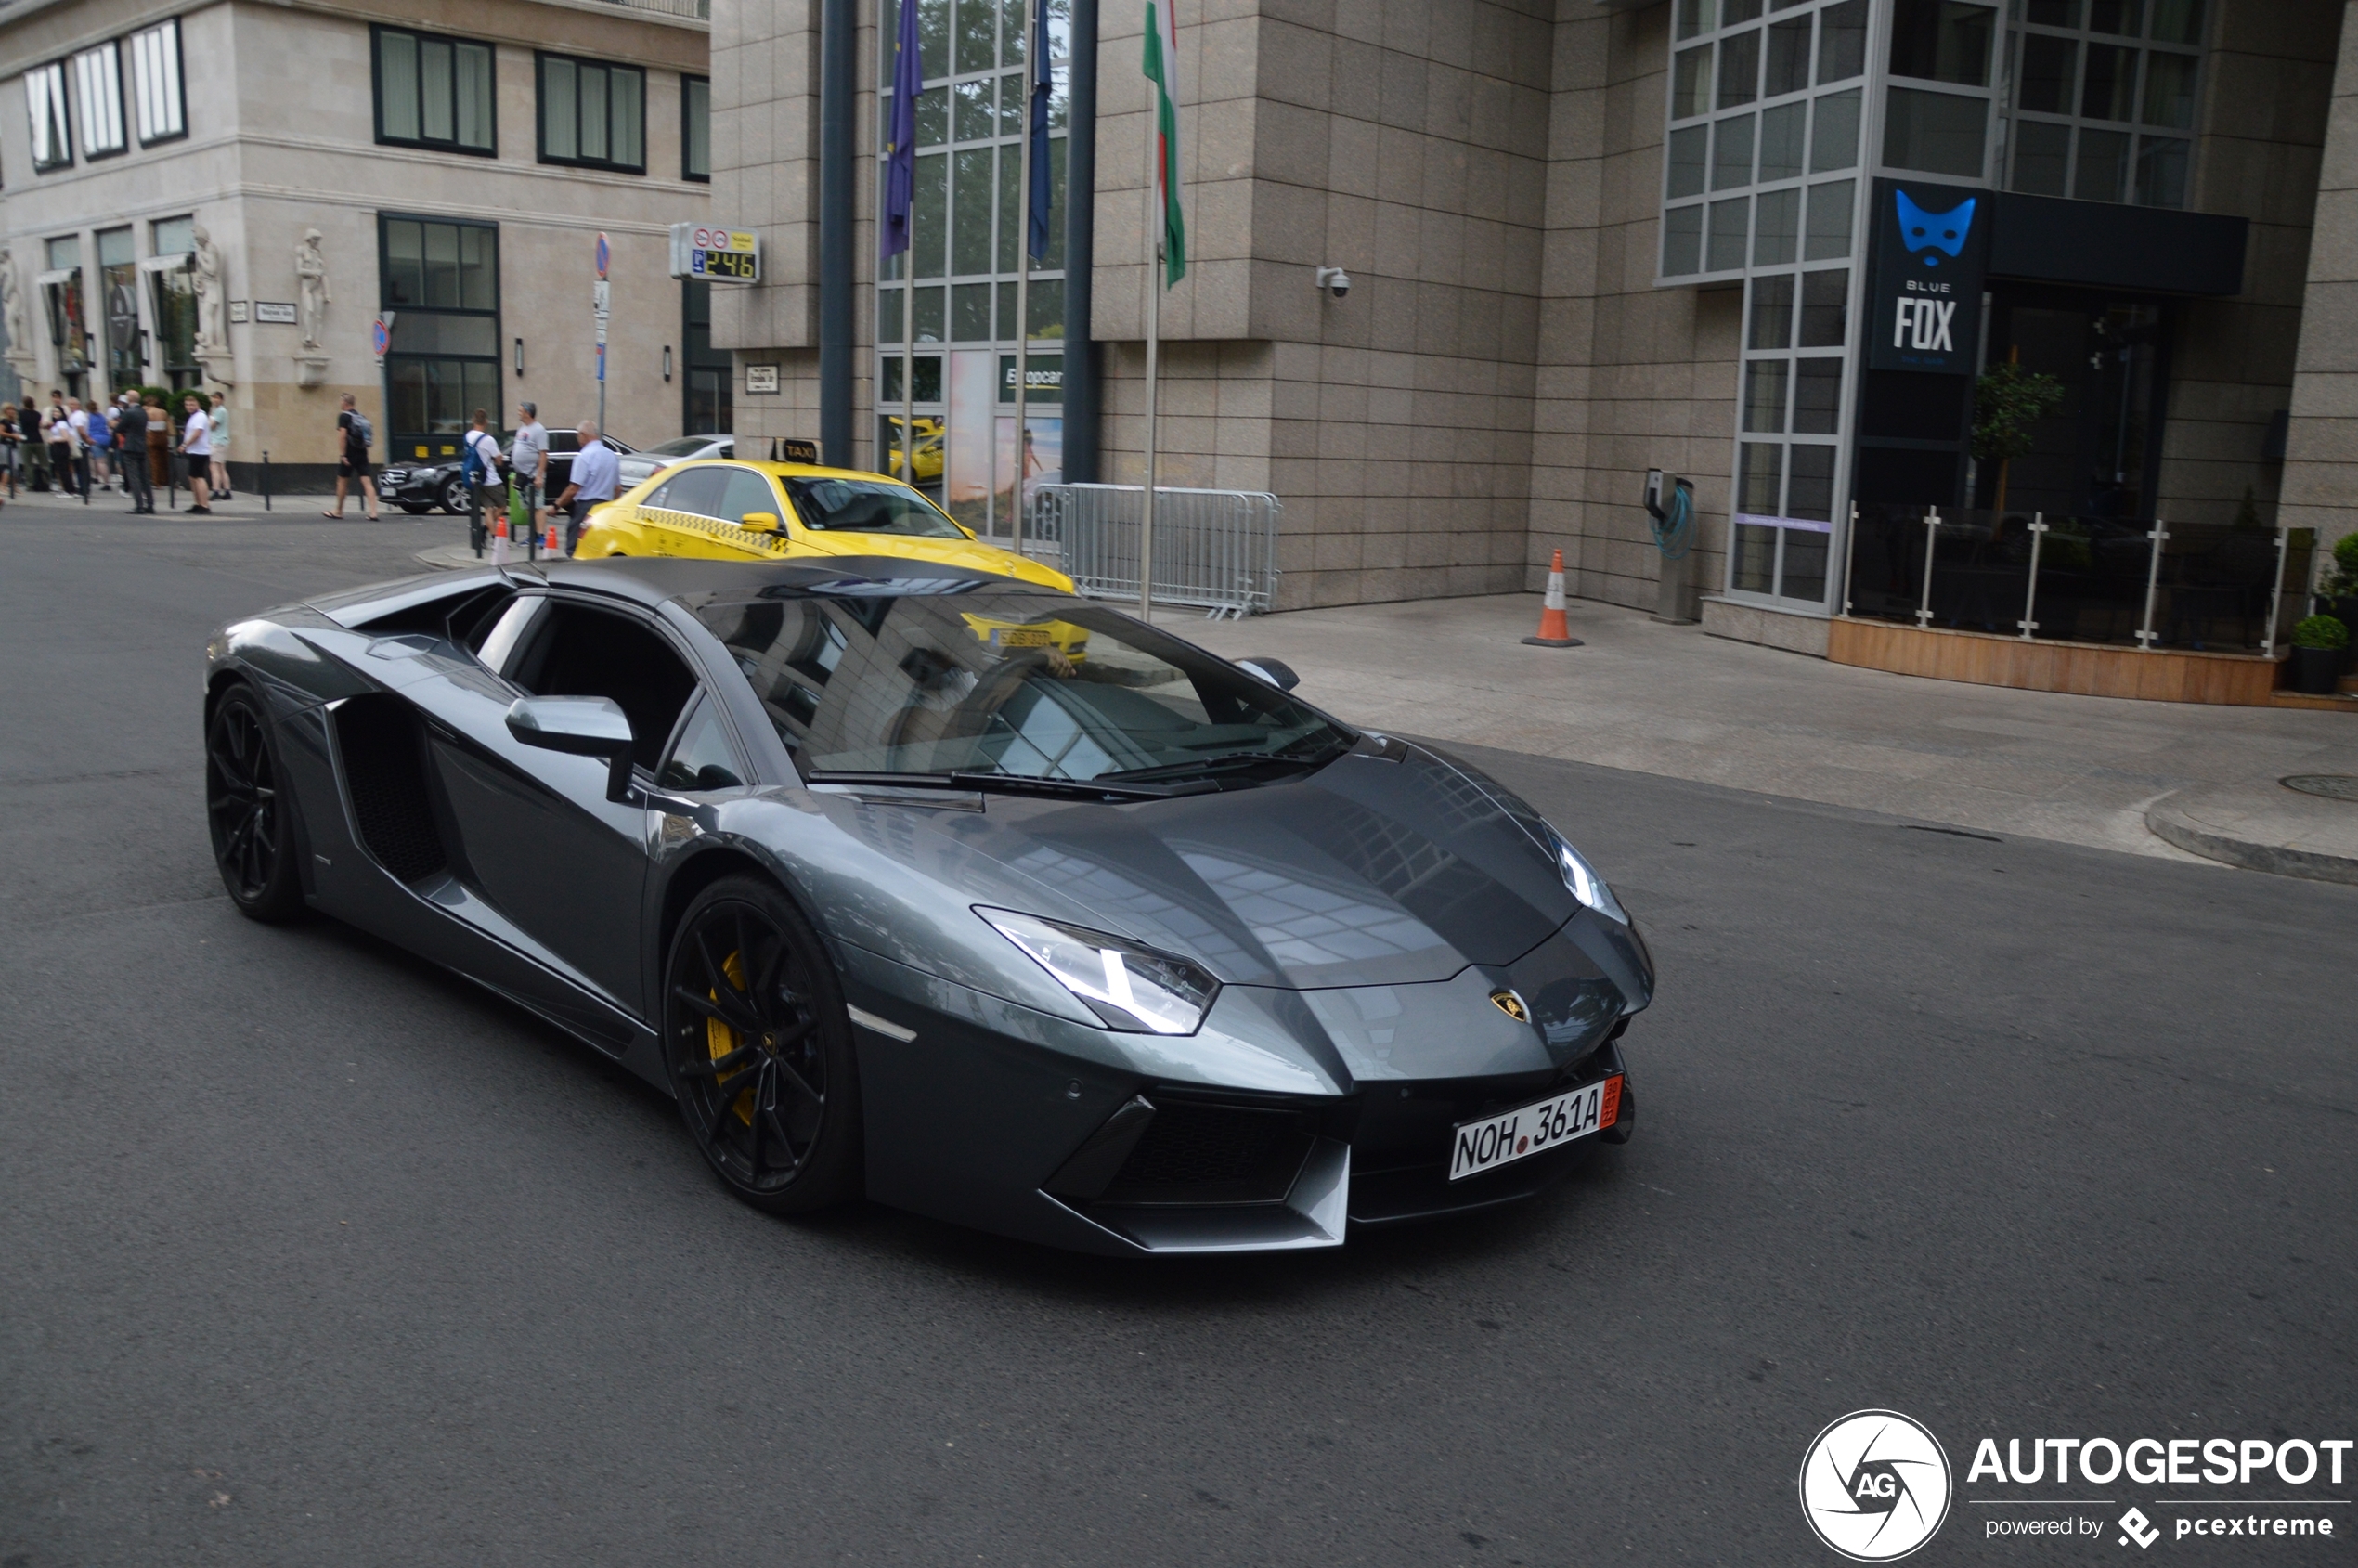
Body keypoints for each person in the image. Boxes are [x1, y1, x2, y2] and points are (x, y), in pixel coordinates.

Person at [551, 417, 617, 556]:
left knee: (574, 547)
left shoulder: (584, 456)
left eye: (577, 434)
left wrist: (556, 506)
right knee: (598, 547)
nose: (577, 438)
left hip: (585, 508)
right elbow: (617, 488)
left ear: (583, 435)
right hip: (606, 507)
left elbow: (573, 489)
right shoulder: (611, 456)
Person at [325, 393, 379, 520]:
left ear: (345, 403)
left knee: (342, 481)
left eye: (341, 401)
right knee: (367, 482)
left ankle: (338, 511)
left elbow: (342, 436)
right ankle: (374, 512)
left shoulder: (344, 417)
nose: (340, 404)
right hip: (362, 453)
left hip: (349, 454)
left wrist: (343, 455)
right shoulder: (361, 416)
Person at [509, 400, 550, 539]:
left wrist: (539, 476)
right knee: (527, 506)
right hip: (521, 475)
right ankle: (532, 534)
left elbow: (543, 454)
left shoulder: (538, 430)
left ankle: (541, 535)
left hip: (533, 474)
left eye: (520, 410)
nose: (518, 413)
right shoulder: (522, 428)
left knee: (538, 506)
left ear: (528, 412)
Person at [463, 408, 504, 540]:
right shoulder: (488, 440)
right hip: (490, 479)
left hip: (475, 478)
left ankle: (491, 536)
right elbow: (498, 460)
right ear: (486, 421)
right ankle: (485, 530)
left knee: (488, 508)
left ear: (473, 420)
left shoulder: (467, 436)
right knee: (502, 506)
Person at [116, 394, 151, 514]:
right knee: (145, 477)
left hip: (131, 446)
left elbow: (119, 428)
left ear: (129, 399)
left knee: (134, 477)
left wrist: (114, 425)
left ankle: (139, 505)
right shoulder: (143, 412)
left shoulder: (129, 413)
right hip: (142, 446)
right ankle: (150, 504)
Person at [179, 392, 213, 513]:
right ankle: (197, 503)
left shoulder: (200, 416)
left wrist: (184, 444)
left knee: (199, 477)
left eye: (192, 404)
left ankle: (204, 505)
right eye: (187, 404)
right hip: (194, 450)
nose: (189, 406)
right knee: (192, 477)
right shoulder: (194, 416)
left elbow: (197, 433)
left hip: (200, 451)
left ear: (197, 405)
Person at [45, 394, 78, 498]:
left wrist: (53, 439)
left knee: (63, 470)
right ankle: (69, 489)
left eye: (57, 412)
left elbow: (65, 437)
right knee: (62, 469)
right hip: (59, 447)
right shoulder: (58, 423)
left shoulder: (61, 423)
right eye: (54, 412)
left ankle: (68, 490)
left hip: (61, 447)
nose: (55, 413)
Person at [144, 395, 170, 502]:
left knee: (154, 460)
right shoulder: (163, 412)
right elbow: (167, 424)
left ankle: (156, 482)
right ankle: (166, 479)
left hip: (151, 437)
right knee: (164, 459)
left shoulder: (147, 412)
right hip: (163, 436)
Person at [208, 391, 233, 499]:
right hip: (222, 441)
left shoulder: (219, 411)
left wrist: (209, 418)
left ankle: (216, 490)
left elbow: (212, 426)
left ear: (222, 400)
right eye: (213, 398)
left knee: (214, 467)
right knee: (222, 468)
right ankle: (227, 491)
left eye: (217, 398)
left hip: (217, 441)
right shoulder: (220, 411)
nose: (215, 400)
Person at [85, 395, 113, 491]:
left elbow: (85, 429)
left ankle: (106, 483)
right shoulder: (102, 415)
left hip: (95, 440)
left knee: (100, 462)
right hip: (106, 439)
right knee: (98, 458)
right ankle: (96, 477)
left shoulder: (88, 416)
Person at [0, 400, 19, 500]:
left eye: (12, 409)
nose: (11, 411)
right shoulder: (4, 421)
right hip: (6, 445)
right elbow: (1, 432)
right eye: (9, 409)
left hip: (14, 445)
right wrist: (12, 435)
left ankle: (14, 486)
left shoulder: (13, 422)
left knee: (15, 467)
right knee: (9, 466)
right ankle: (2, 485)